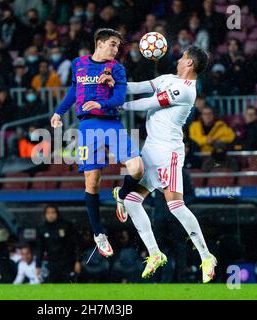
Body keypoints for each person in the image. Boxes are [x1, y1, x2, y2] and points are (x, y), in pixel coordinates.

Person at [106, 46, 217, 283]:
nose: (178, 59)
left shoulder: (186, 91)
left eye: (182, 57)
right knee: (132, 201)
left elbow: (150, 103)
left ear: (189, 64)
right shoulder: (169, 78)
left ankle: (206, 256)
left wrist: (119, 106)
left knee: (175, 205)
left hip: (169, 153)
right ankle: (155, 253)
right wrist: (114, 83)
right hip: (150, 150)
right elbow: (139, 87)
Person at [50, 28, 144, 258]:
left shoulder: (117, 69)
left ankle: (121, 194)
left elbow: (120, 99)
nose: (115, 49)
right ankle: (99, 233)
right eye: (112, 44)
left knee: (138, 168)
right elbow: (74, 90)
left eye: (117, 46)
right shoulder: (79, 64)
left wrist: (102, 102)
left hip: (111, 123)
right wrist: (59, 112)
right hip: (87, 127)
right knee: (92, 182)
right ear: (99, 43)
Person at [36, 205, 80, 283]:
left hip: (67, 262)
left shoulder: (66, 226)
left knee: (68, 285)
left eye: (53, 212)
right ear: (45, 215)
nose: (50, 215)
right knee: (54, 286)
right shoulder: (42, 229)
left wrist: (78, 261)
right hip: (52, 263)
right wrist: (38, 266)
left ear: (57, 214)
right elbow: (40, 249)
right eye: (48, 213)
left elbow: (76, 244)